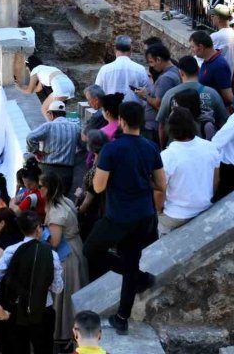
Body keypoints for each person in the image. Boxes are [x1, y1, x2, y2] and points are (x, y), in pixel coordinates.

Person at [83, 102, 164, 334]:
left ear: (122, 121)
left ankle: (140, 277)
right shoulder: (151, 147)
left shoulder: (112, 149)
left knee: (92, 250)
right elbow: (161, 184)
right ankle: (122, 317)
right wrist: (141, 180)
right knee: (131, 261)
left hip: (119, 216)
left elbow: (98, 187)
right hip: (145, 216)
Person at [0, 211, 64, 354]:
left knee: (18, 348)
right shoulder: (50, 254)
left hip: (17, 309)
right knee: (43, 348)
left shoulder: (11, 250)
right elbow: (58, 288)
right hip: (43, 308)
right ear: (37, 229)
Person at [40, 172, 88, 352]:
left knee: (65, 296)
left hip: (66, 256)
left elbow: (54, 242)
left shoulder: (56, 212)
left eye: (42, 186)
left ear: (48, 189)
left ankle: (64, 333)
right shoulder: (65, 201)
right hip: (76, 248)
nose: (39, 189)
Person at [157, 109, 220, 236]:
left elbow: (159, 190)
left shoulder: (166, 156)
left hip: (175, 216)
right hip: (204, 208)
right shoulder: (210, 147)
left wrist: (159, 210)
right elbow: (216, 180)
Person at [155, 55, 229, 148]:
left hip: (176, 146)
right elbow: (223, 121)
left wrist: (162, 148)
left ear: (180, 73)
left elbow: (161, 125)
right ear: (198, 69)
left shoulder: (170, 94)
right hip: (205, 147)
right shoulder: (213, 93)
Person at [25, 101, 80, 195]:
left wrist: (36, 152)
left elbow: (30, 137)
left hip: (47, 170)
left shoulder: (48, 126)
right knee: (62, 200)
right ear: (64, 114)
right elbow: (83, 146)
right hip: (67, 172)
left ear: (51, 114)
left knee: (47, 200)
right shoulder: (76, 128)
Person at [134, 43, 181, 144]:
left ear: (159, 59)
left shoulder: (165, 79)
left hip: (154, 129)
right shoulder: (175, 71)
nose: (151, 66)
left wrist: (145, 96)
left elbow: (158, 104)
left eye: (151, 62)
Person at [17, 54, 76, 121]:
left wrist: (19, 87)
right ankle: (52, 125)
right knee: (45, 109)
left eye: (28, 69)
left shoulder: (35, 71)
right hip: (70, 85)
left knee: (55, 114)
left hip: (60, 87)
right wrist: (24, 87)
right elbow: (38, 88)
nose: (28, 71)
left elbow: (29, 91)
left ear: (30, 66)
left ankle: (54, 127)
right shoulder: (46, 69)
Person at [94, 36, 149, 102]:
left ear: (115, 49)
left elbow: (98, 92)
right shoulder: (140, 69)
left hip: (111, 110)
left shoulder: (104, 70)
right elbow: (147, 92)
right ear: (131, 49)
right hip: (134, 110)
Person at [189, 31, 234, 106]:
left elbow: (228, 97)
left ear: (201, 47)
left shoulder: (219, 65)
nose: (191, 50)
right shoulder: (207, 60)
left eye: (193, 47)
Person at [206, 5, 234, 80]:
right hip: (227, 79)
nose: (211, 18)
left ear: (218, 18)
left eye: (213, 16)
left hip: (215, 79)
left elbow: (204, 57)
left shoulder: (216, 36)